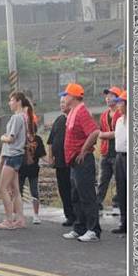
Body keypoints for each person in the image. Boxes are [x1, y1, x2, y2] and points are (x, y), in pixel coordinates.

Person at [60, 83, 101, 242]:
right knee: (76, 196)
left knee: (87, 196)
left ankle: (93, 230)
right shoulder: (73, 112)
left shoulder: (82, 112)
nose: (65, 97)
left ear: (74, 96)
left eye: (67, 94)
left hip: (82, 160)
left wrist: (84, 150)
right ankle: (80, 227)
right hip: (74, 162)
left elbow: (94, 132)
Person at [0, 92, 32, 230]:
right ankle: (20, 219)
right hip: (16, 155)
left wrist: (1, 137)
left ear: (18, 101)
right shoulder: (23, 117)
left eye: (11, 100)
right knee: (15, 189)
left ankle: (9, 219)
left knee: (2, 188)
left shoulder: (17, 118)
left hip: (12, 155)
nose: (9, 103)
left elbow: (11, 138)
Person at [47, 96, 77, 226]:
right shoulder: (59, 120)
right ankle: (69, 216)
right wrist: (50, 157)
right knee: (63, 189)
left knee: (73, 189)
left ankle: (78, 216)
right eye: (60, 102)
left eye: (64, 102)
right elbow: (50, 141)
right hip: (59, 162)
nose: (62, 105)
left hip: (72, 162)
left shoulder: (75, 118)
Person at [103, 90, 127, 234]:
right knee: (121, 190)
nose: (118, 104)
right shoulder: (119, 120)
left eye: (121, 102)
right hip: (119, 157)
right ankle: (124, 223)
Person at [97, 86, 123, 213]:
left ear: (118, 98)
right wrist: (105, 134)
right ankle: (98, 203)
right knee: (102, 179)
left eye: (111, 96)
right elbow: (100, 131)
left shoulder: (122, 114)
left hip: (117, 152)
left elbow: (118, 133)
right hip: (105, 151)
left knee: (119, 180)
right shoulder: (103, 115)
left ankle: (117, 204)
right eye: (107, 96)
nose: (108, 98)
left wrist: (104, 135)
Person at [18, 118, 46, 224]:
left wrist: (50, 162)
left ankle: (36, 215)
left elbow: (42, 154)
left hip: (33, 169)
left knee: (34, 191)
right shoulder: (21, 138)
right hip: (21, 168)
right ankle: (19, 215)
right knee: (18, 192)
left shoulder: (38, 139)